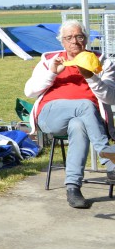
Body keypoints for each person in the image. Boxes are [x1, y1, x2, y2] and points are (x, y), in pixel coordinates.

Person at [24, 19, 115, 208]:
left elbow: (111, 97)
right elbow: (29, 92)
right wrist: (52, 73)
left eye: (79, 36)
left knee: (78, 125)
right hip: (51, 115)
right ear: (62, 41)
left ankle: (73, 188)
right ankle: (110, 161)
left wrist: (90, 76)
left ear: (86, 39)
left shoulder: (102, 61)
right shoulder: (50, 60)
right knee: (85, 105)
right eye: (69, 38)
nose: (74, 41)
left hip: (88, 120)